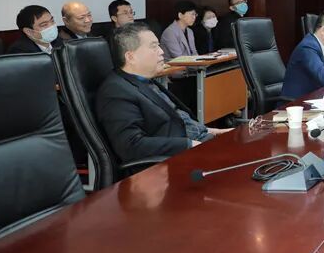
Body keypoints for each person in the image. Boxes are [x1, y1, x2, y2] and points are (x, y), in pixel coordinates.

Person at [95, 23, 231, 164]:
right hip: (174, 162)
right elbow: (131, 146)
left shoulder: (145, 81)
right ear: (131, 56)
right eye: (154, 47)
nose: (161, 51)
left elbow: (176, 118)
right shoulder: (116, 92)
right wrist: (191, 145)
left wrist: (210, 131)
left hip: (199, 141)